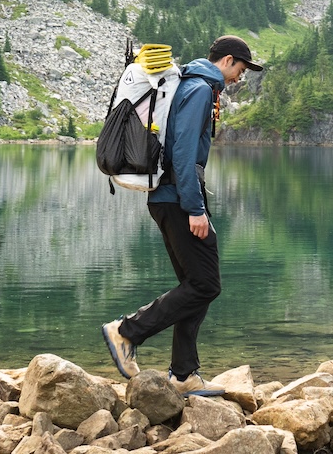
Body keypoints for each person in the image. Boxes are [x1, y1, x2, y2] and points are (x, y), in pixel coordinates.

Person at [102, 35, 264, 396]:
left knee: (196, 286)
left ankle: (183, 374)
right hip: (178, 198)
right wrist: (195, 209)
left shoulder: (192, 85)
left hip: (168, 197)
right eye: (240, 68)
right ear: (226, 60)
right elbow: (184, 153)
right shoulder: (201, 90)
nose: (240, 76)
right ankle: (127, 331)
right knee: (206, 284)